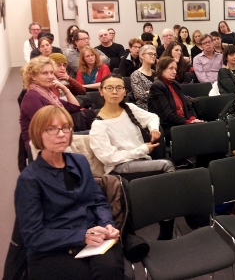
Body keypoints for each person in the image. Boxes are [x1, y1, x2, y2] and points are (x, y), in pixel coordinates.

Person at [15, 105, 124, 280]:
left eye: (65, 127)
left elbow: (99, 200)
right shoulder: (30, 179)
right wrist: (82, 236)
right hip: (54, 246)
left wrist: (106, 224)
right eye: (51, 129)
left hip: (93, 236)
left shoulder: (80, 161)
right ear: (38, 134)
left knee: (110, 270)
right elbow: (33, 235)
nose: (61, 134)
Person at [90, 74, 174, 175]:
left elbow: (152, 117)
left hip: (140, 159)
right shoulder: (98, 125)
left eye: (119, 88)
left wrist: (154, 129)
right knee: (166, 165)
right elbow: (109, 158)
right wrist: (141, 150)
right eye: (109, 88)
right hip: (119, 166)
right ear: (101, 91)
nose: (115, 92)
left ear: (125, 92)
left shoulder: (129, 108)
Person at [20, 56, 81, 150]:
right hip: (41, 146)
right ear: (33, 76)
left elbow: (75, 107)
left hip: (54, 136)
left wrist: (65, 89)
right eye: (45, 73)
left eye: (52, 72)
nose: (51, 76)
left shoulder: (47, 94)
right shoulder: (32, 97)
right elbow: (47, 127)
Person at [148, 57, 204, 142]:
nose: (174, 72)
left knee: (207, 128)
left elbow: (188, 106)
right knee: (202, 132)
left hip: (184, 123)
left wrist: (193, 119)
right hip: (169, 126)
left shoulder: (175, 84)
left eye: (175, 69)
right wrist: (188, 122)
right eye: (171, 68)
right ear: (161, 69)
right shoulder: (157, 86)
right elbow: (167, 115)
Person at [130, 44, 156, 110]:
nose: (153, 56)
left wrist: (148, 91)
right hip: (144, 108)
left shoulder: (156, 74)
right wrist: (157, 92)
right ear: (142, 56)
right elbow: (141, 96)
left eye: (154, 54)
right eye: (150, 54)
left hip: (159, 106)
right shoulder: (135, 75)